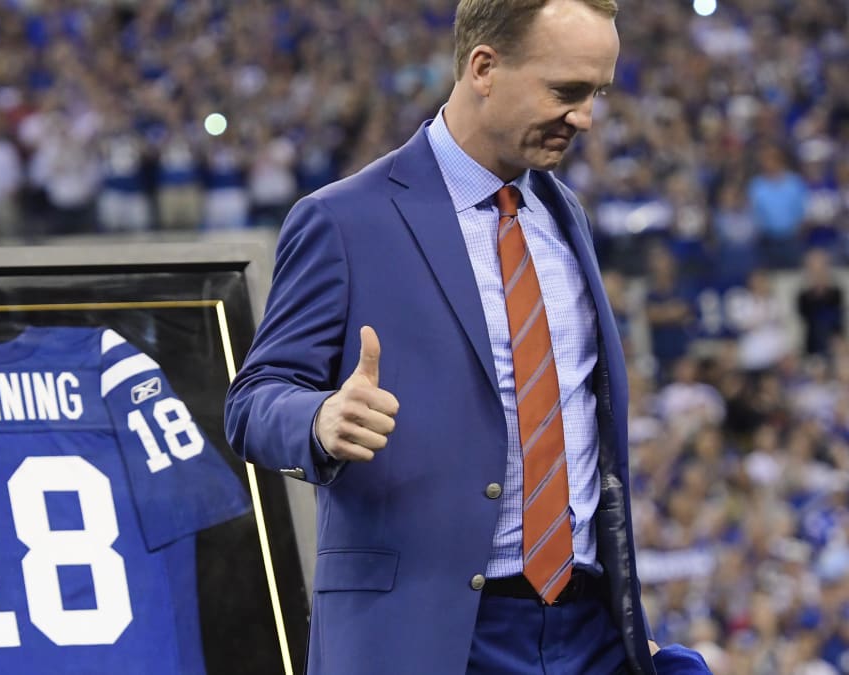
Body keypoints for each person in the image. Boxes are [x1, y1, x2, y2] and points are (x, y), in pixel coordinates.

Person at [225, 1, 708, 673]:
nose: (586, 118)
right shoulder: (343, 219)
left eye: (597, 93)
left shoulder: (564, 213)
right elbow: (251, 401)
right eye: (567, 91)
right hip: (432, 633)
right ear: (484, 67)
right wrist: (319, 418)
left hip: (584, 628)